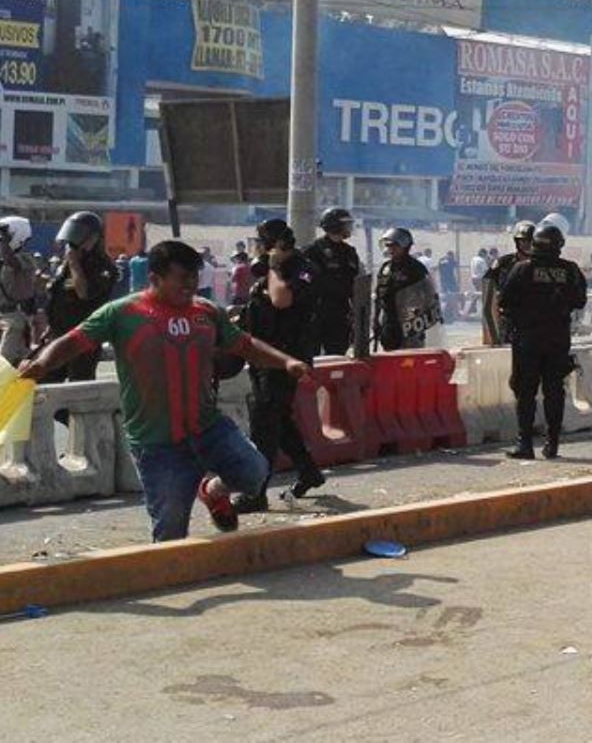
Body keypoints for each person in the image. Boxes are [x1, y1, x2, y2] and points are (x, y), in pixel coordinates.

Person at [16, 241, 308, 541]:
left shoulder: (207, 311)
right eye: (182, 278)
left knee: (254, 473)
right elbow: (72, 341)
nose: (190, 285)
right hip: (156, 443)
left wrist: (286, 362)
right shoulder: (121, 312)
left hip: (209, 427)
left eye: (194, 278)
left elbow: (244, 345)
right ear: (154, 278)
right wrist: (41, 364)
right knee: (170, 532)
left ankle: (213, 490)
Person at [235, 219, 326, 512]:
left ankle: (256, 492)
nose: (258, 251)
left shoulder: (303, 270)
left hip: (285, 360)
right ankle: (308, 472)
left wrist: (274, 266)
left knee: (265, 425)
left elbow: (281, 300)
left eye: (262, 244)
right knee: (279, 420)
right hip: (263, 356)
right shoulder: (271, 272)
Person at [497, 222, 588, 460]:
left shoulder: (522, 269)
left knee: (525, 392)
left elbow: (504, 301)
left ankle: (525, 444)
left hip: (527, 340)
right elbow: (580, 301)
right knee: (554, 391)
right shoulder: (570, 270)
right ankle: (552, 443)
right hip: (557, 338)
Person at [39, 211, 118, 384]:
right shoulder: (69, 263)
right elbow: (59, 297)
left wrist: (74, 262)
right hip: (59, 335)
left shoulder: (103, 267)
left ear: (94, 237)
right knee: (47, 384)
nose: (72, 241)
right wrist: (51, 326)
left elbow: (83, 293)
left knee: (79, 385)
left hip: (84, 337)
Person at [304, 207, 362, 358]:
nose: (349, 228)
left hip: (340, 311)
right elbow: (303, 277)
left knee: (337, 353)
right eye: (345, 224)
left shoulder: (349, 252)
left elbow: (355, 281)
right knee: (312, 355)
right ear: (335, 226)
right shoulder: (313, 250)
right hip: (317, 310)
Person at [372, 227, 434, 352]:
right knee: (389, 358)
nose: (390, 249)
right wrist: (375, 320)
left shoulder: (416, 268)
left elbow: (429, 294)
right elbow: (378, 296)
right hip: (389, 323)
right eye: (388, 246)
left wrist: (420, 317)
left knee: (411, 358)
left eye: (393, 246)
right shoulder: (385, 268)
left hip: (410, 323)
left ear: (404, 246)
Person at [0, 216, 46, 367]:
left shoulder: (27, 259)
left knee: (4, 361)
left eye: (5, 235)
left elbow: (11, 261)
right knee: (19, 363)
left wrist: (4, 240)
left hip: (15, 317)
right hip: (3, 316)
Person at [483, 222, 537, 348]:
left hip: (534, 318)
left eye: (530, 241)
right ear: (517, 242)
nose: (526, 244)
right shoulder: (504, 263)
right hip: (508, 317)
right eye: (523, 241)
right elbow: (488, 284)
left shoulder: (541, 264)